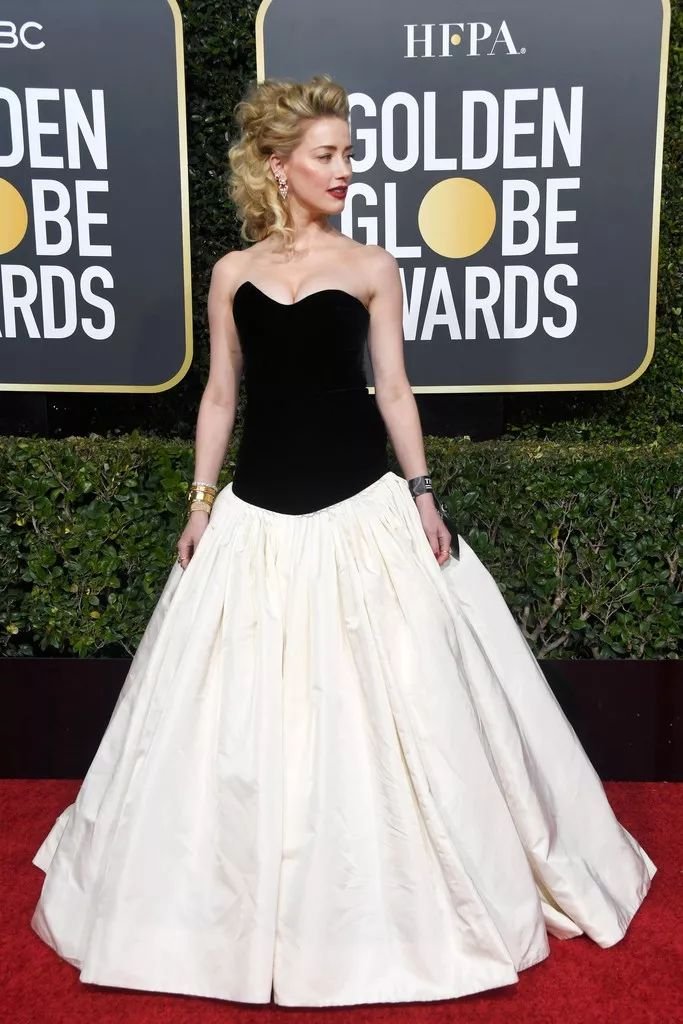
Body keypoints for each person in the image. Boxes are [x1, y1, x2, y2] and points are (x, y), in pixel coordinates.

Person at [30, 74, 656, 1009]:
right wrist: (200, 503)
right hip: (256, 512)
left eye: (349, 154)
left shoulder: (372, 266)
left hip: (362, 506)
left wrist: (423, 494)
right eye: (326, 155)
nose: (345, 171)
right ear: (276, 165)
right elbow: (220, 396)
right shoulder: (231, 274)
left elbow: (392, 389)